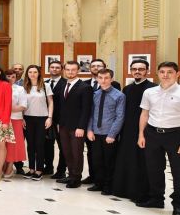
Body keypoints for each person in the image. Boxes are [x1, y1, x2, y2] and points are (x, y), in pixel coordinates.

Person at [137, 62, 180, 215]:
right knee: (154, 168)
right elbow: (145, 114)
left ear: (177, 74)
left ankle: (179, 204)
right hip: (152, 133)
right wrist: (141, 134)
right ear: (157, 73)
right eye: (162, 72)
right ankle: (156, 199)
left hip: (176, 135)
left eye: (169, 72)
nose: (165, 75)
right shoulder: (149, 92)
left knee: (179, 171)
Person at [112, 59, 156, 202]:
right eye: (134, 69)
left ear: (147, 71)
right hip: (127, 131)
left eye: (141, 69)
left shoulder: (153, 88)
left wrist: (142, 132)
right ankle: (124, 190)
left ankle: (140, 192)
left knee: (141, 162)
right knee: (127, 159)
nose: (137, 71)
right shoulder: (127, 89)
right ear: (130, 70)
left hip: (145, 131)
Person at [86, 69, 126, 194]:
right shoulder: (95, 94)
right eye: (100, 78)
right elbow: (91, 114)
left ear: (111, 79)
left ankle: (108, 185)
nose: (103, 80)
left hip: (109, 134)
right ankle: (98, 183)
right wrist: (90, 130)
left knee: (109, 161)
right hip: (95, 133)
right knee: (96, 160)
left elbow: (120, 116)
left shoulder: (119, 96)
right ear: (97, 78)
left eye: (106, 78)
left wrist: (112, 134)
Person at [56, 61, 93, 189]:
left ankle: (76, 178)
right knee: (66, 151)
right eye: (68, 70)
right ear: (64, 70)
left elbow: (86, 109)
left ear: (78, 71)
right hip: (63, 125)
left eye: (73, 70)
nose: (70, 72)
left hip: (77, 127)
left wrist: (81, 127)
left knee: (77, 152)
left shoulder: (84, 87)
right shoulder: (62, 86)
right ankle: (71, 174)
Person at [22, 65, 53, 181]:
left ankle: (39, 170)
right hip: (28, 118)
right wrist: (22, 118)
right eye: (30, 72)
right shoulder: (24, 87)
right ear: (27, 74)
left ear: (39, 73)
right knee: (30, 145)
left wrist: (49, 117)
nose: (33, 74)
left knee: (40, 145)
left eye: (35, 72)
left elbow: (50, 102)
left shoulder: (46, 86)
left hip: (42, 118)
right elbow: (22, 104)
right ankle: (31, 169)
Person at [3, 71, 28, 178]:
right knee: (3, 144)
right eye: (8, 76)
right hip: (1, 119)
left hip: (15, 118)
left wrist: (8, 110)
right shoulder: (0, 86)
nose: (10, 78)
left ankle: (10, 166)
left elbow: (23, 105)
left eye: (13, 77)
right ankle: (3, 163)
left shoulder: (20, 89)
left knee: (13, 144)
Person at [44, 60, 66, 178]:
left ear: (61, 69)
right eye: (52, 67)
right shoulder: (44, 83)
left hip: (60, 120)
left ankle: (61, 170)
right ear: (49, 69)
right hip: (46, 119)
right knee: (47, 144)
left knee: (62, 146)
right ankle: (48, 167)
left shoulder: (66, 83)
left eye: (57, 67)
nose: (55, 69)